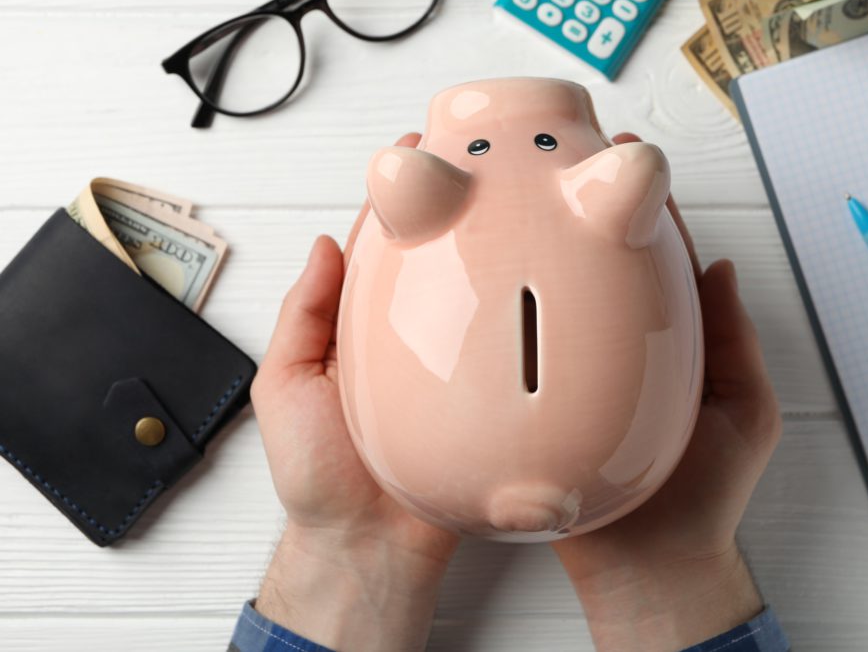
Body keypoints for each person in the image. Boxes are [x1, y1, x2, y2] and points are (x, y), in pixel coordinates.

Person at [227, 133, 788, 652]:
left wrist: (345, 549)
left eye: (547, 141)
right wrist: (675, 564)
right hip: (622, 476)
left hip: (446, 473)